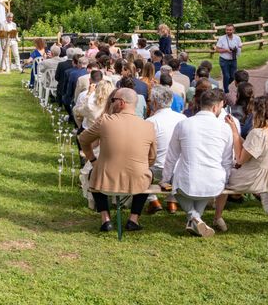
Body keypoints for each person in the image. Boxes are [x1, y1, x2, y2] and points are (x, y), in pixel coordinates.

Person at [78, 88, 156, 232]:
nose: (111, 103)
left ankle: (105, 218)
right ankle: (133, 219)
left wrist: (93, 160)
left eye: (113, 100)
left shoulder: (105, 121)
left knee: (93, 173)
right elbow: (152, 157)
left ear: (121, 103)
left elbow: (82, 139)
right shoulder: (149, 126)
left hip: (105, 181)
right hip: (137, 182)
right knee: (147, 174)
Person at [162, 89, 233, 238]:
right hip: (214, 183)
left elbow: (171, 157)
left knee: (178, 185)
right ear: (216, 107)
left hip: (188, 182)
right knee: (199, 181)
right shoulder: (225, 128)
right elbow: (227, 161)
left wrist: (165, 179)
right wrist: (225, 180)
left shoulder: (184, 124)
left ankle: (194, 217)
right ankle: (196, 219)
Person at [213, 96, 268, 231]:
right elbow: (250, 148)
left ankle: (217, 216)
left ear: (260, 112)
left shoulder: (258, 133)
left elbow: (240, 158)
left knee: (224, 174)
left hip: (252, 178)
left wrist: (234, 134)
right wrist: (235, 129)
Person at [145, 85, 186, 214]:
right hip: (180, 167)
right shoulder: (183, 119)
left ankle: (153, 200)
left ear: (155, 102)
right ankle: (172, 201)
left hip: (157, 167)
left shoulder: (150, 121)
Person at [215, 24, 242, 93]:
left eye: (230, 30)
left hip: (233, 59)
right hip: (224, 60)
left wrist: (236, 50)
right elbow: (217, 50)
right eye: (227, 30)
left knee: (233, 77)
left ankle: (225, 86)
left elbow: (240, 47)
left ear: (233, 30)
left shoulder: (237, 38)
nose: (228, 31)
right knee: (226, 76)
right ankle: (226, 91)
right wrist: (226, 50)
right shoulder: (221, 38)